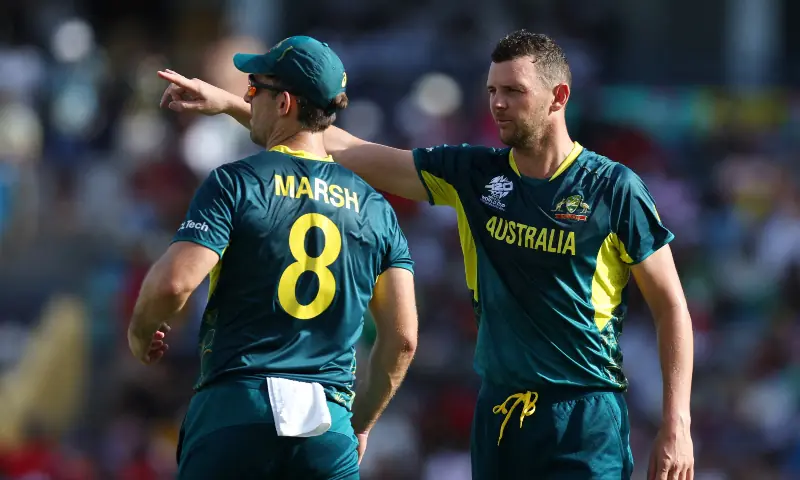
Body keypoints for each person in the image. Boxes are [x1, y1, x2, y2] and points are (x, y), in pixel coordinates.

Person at [158, 30, 695, 480]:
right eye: (491, 91)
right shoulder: (475, 175)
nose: (498, 104)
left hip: (585, 414)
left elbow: (671, 305)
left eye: (514, 91)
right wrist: (238, 104)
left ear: (558, 97)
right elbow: (344, 148)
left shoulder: (613, 188)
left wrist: (677, 423)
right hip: (501, 416)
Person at [130, 35, 418, 480]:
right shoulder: (377, 209)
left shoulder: (236, 183)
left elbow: (174, 283)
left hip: (236, 411)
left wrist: (140, 330)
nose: (248, 101)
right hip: (328, 429)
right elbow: (403, 339)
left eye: (252, 90)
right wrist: (359, 425)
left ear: (283, 102)